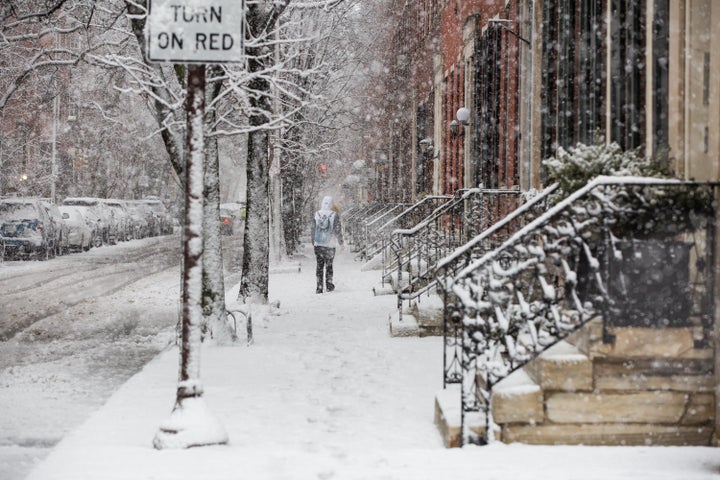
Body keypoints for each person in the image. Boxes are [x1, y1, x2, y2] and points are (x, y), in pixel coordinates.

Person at [311, 196, 343, 294]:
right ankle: (329, 285)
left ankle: (319, 287)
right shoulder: (334, 215)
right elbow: (338, 230)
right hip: (330, 245)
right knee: (329, 266)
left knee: (319, 266)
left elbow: (313, 229)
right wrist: (341, 242)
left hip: (318, 244)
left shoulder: (317, 214)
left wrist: (313, 241)